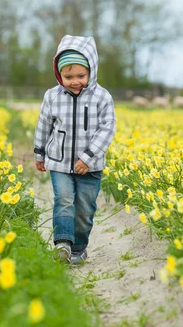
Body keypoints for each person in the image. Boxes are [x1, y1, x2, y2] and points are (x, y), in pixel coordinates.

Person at [34, 35, 116, 265]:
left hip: (91, 167)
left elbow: (107, 129)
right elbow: (43, 125)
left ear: (92, 71)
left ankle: (79, 248)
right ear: (59, 75)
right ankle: (63, 244)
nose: (74, 81)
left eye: (80, 76)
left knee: (84, 208)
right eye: (68, 76)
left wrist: (88, 157)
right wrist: (39, 153)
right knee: (64, 199)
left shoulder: (102, 97)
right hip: (59, 162)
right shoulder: (52, 96)